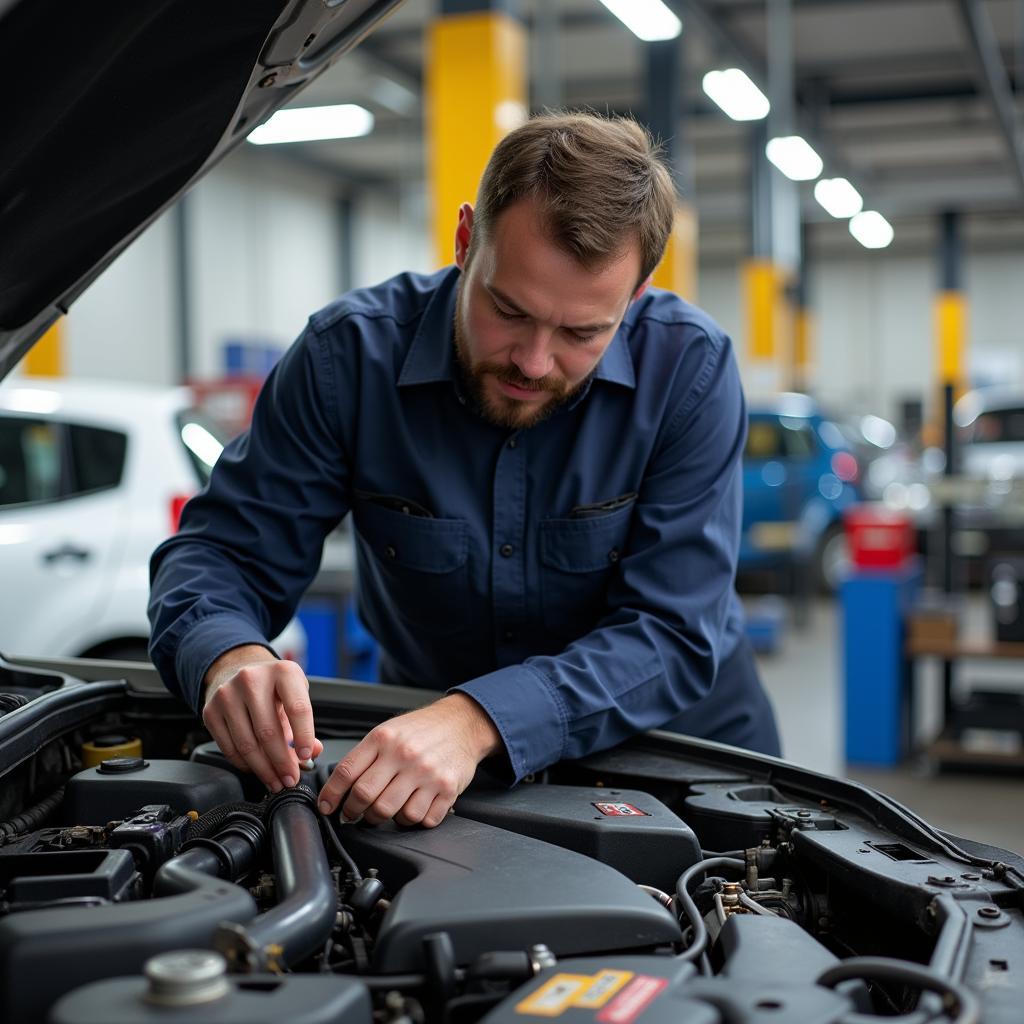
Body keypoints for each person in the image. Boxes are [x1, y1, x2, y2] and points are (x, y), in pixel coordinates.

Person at [148, 112, 780, 830]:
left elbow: (671, 630)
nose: (534, 362)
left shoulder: (689, 371)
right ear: (463, 241)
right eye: (507, 310)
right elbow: (223, 552)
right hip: (434, 775)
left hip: (681, 764)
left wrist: (480, 718)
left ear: (632, 300)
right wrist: (227, 653)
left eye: (581, 333)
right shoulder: (347, 360)